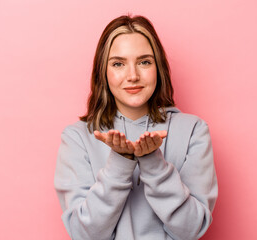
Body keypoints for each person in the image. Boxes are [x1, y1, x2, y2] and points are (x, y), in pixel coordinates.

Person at [54, 15, 218, 240]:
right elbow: (85, 234)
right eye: (118, 63)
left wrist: (153, 163)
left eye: (144, 62)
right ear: (103, 71)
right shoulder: (77, 137)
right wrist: (120, 164)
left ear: (158, 68)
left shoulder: (194, 131)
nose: (132, 76)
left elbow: (191, 229)